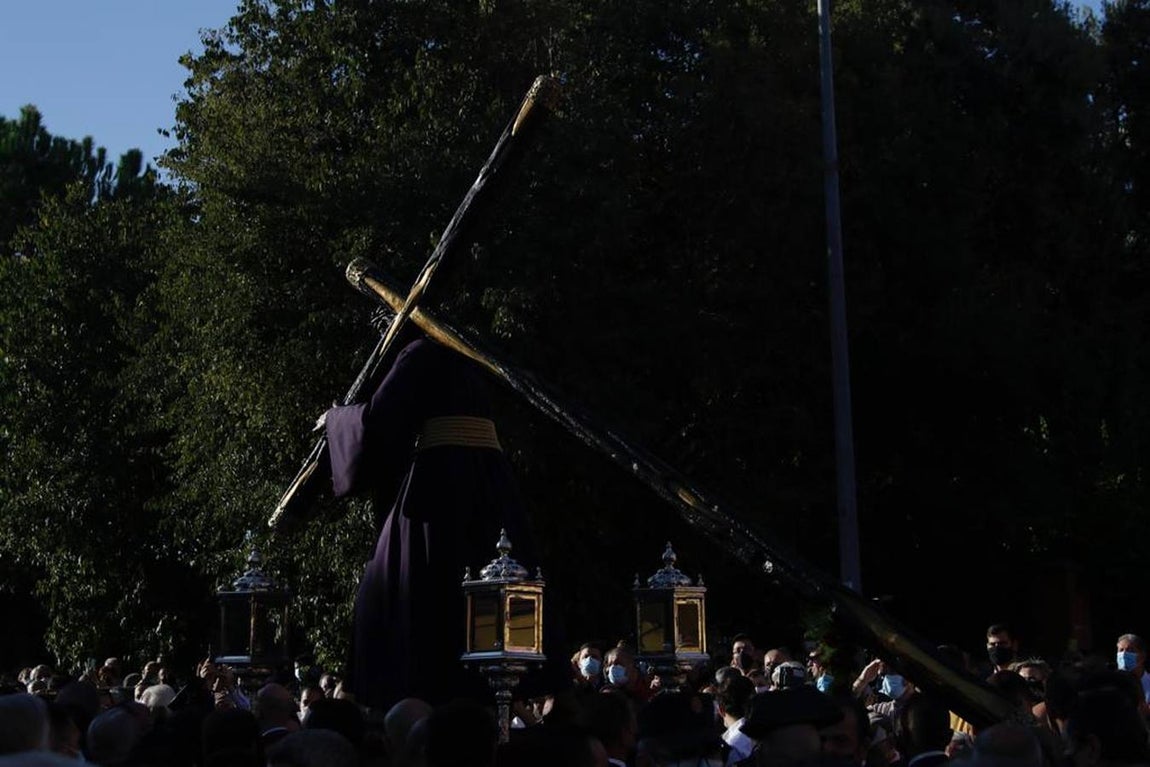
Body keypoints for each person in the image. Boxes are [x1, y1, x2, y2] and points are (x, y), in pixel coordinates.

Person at [323, 336, 537, 711]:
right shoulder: (475, 353)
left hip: (437, 491)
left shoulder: (421, 353)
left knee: (410, 589)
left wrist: (335, 419)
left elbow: (377, 423)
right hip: (494, 491)